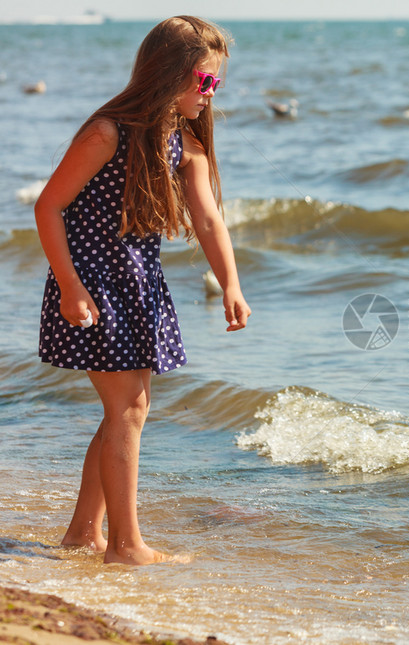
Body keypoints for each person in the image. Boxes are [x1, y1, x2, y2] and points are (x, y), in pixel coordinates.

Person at [34, 16, 251, 565]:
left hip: (138, 287)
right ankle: (127, 547)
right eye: (205, 81)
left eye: (215, 84)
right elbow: (50, 206)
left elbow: (208, 220)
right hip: (92, 284)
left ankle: (85, 533)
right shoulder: (107, 132)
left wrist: (231, 282)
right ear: (172, 75)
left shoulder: (184, 146)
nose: (210, 93)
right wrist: (69, 286)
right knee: (129, 409)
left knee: (123, 411)